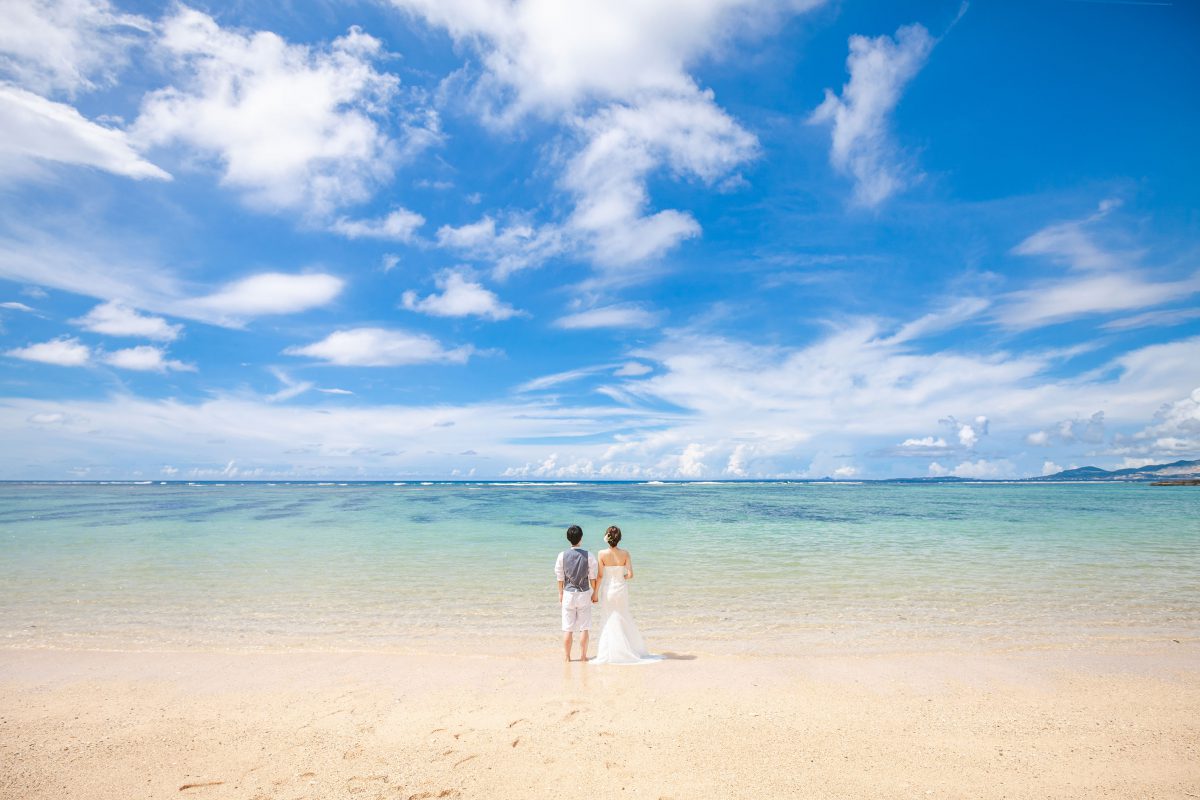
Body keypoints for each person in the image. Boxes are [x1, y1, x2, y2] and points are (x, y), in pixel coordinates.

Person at [592, 525, 660, 665]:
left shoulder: (601, 554)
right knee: (623, 616)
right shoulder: (625, 553)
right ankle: (627, 649)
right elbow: (630, 575)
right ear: (619, 538)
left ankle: (611, 652)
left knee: (608, 617)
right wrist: (620, 576)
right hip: (621, 589)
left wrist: (595, 593)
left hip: (608, 590)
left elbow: (599, 575)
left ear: (606, 538)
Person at [554, 524, 598, 662]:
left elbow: (560, 577)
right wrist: (595, 592)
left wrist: (560, 593)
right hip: (584, 593)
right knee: (584, 628)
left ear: (568, 539)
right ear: (581, 538)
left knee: (568, 629)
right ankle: (583, 657)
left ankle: (567, 657)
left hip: (568, 594)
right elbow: (592, 577)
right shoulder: (588, 555)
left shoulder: (562, 555)